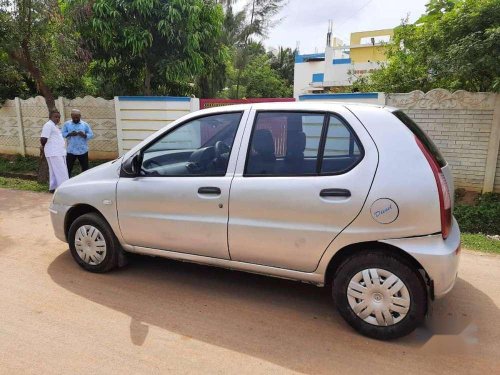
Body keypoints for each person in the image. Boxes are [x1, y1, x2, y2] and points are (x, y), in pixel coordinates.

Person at [40, 109, 69, 193]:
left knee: (54, 171)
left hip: (58, 152)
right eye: (55, 117)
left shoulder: (55, 126)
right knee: (61, 171)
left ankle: (53, 188)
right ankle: (64, 189)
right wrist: (42, 146)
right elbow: (43, 138)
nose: (57, 119)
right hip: (54, 152)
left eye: (59, 117)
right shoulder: (48, 125)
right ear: (50, 117)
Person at [62, 109, 94, 176]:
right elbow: (63, 134)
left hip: (82, 150)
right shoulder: (67, 124)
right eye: (74, 117)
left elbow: (91, 135)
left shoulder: (85, 125)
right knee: (68, 168)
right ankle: (66, 181)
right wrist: (70, 134)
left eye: (77, 117)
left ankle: (84, 181)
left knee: (85, 168)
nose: (76, 119)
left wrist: (84, 135)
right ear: (71, 116)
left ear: (80, 116)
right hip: (71, 150)